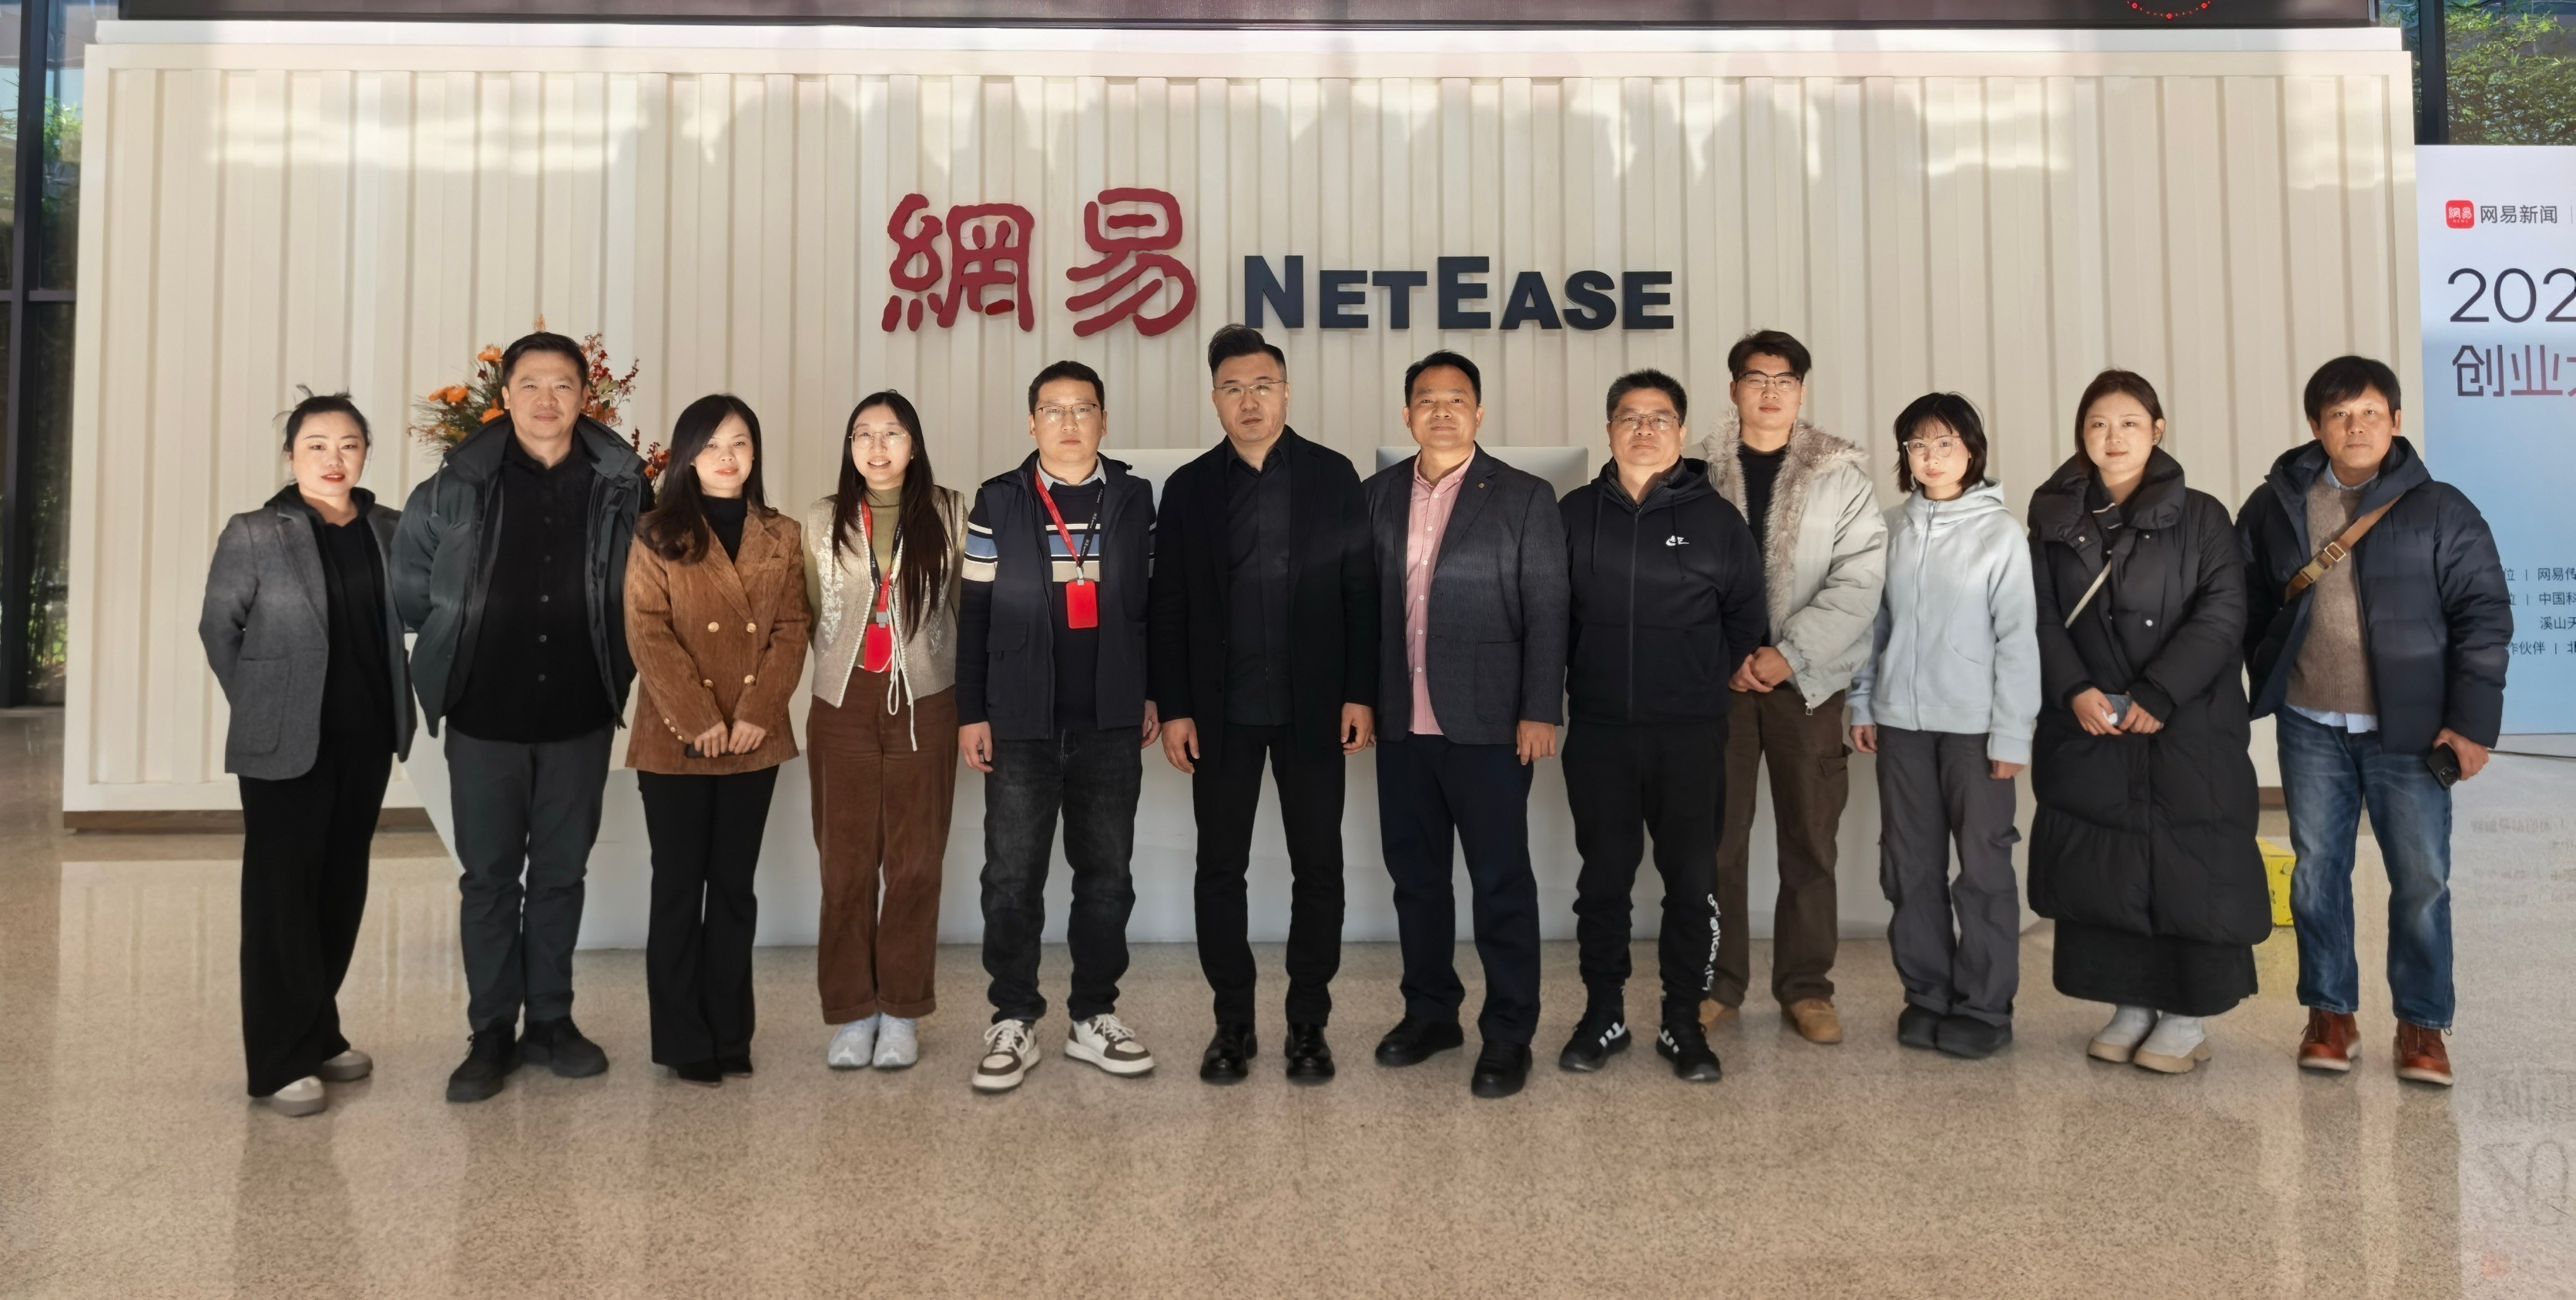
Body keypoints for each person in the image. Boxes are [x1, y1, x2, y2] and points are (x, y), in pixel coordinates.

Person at [391, 331, 650, 1103]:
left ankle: (552, 1022)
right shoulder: (456, 484)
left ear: (585, 397)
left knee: (562, 875)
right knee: (490, 879)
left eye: (562, 385)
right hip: (484, 713)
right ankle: (489, 1033)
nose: (546, 399)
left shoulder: (620, 484)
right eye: (530, 384)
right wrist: (458, 633)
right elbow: (409, 585)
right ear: (505, 396)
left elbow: (646, 583)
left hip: (579, 710)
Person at [2238, 355, 2510, 1087]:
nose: (2354, 426)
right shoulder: (2276, 504)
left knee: (2421, 879)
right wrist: (2263, 673)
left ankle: (2422, 1022)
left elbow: (2484, 617)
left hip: (2410, 730)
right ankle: (2330, 1013)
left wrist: (2471, 725)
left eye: (2368, 413)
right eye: (2338, 415)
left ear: (2395, 420)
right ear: (2316, 426)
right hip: (2310, 722)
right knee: (2316, 874)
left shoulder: (2442, 508)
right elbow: (2247, 600)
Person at [1149, 324, 1377, 1086]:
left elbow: (1360, 594)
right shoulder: (1188, 488)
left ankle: (1308, 1023)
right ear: (1214, 399)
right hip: (1221, 713)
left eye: (1262, 386)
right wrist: (1174, 707)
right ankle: (1232, 1022)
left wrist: (1359, 692)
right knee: (1220, 868)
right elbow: (1169, 606)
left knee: (1319, 867)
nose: (1249, 401)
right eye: (1233, 389)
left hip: (1314, 707)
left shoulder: (1332, 476)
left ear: (1286, 392)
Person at [2028, 369, 2267, 1076]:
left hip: (2187, 720)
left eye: (2130, 423)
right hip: (2092, 720)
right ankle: (2128, 1003)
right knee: (2108, 863)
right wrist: (2073, 688)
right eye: (2099, 424)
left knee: (2191, 861)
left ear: (2157, 430)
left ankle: (2187, 1016)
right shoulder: (2053, 517)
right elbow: (2037, 613)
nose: (2114, 437)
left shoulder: (2203, 515)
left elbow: (2224, 611)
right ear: (2082, 434)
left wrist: (2160, 693)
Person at [200, 391, 415, 1118]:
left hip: (367, 736)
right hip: (284, 741)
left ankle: (319, 1032)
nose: (334, 458)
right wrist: (264, 703)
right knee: (280, 897)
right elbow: (218, 628)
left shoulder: (389, 529)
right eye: (316, 444)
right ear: (291, 455)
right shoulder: (256, 531)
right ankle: (277, 1061)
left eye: (349, 444)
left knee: (339, 888)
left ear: (366, 454)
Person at [1363, 350, 1570, 1100]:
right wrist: (1358, 699)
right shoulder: (1375, 495)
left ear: (1479, 413)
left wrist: (1540, 708)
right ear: (1406, 415)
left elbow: (1548, 606)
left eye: (1456, 399)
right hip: (1400, 724)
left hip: (1490, 723)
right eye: (1427, 399)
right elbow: (1358, 610)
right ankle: (1430, 1014)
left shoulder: (1523, 495)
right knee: (1416, 881)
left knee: (1499, 882)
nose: (1441, 410)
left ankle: (1509, 1031)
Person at [957, 359, 1161, 1093]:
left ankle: (1093, 1014)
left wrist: (1155, 694)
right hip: (1021, 723)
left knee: (1107, 877)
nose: (1069, 422)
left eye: (1083, 408)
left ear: (1104, 419)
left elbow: (1156, 608)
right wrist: (971, 711)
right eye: (1054, 409)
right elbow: (974, 614)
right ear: (1031, 422)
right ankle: (1012, 1016)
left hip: (1110, 721)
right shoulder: (999, 500)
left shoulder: (1135, 499)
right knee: (1012, 878)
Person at [1555, 369, 1762, 1083]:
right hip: (1600, 731)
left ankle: (1682, 1019)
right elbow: (1551, 618)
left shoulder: (1718, 521)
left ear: (1682, 430)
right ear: (1609, 429)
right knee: (1603, 882)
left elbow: (1746, 620)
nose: (1644, 429)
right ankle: (1603, 1014)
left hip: (1691, 734)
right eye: (1630, 417)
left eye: (1660, 417)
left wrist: (1699, 680)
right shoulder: (1574, 514)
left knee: (1693, 883)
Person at [1688, 329, 1887, 1046]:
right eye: (1756, 377)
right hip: (1719, 684)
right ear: (1734, 388)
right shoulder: (1696, 469)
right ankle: (1717, 982)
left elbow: (1860, 578)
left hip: (1809, 683)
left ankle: (1806, 987)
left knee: (1810, 839)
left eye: (1784, 379)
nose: (1769, 391)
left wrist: (1788, 654)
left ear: (1801, 391)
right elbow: (1679, 573)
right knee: (1717, 843)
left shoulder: (1842, 475)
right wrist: (1728, 654)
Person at [623, 395, 810, 1087]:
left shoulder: (782, 533)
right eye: (710, 445)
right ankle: (682, 1038)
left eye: (739, 443)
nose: (726, 457)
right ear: (686, 457)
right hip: (676, 736)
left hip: (756, 735)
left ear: (755, 452)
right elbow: (647, 630)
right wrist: (702, 718)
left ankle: (731, 1032)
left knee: (734, 888)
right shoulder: (655, 532)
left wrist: (759, 709)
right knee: (678, 887)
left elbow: (793, 627)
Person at [1846, 394, 2039, 1060]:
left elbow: (2018, 637)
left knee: (1983, 867)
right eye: (1918, 445)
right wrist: (1863, 703)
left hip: (1975, 730)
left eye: (1945, 443)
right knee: (1909, 865)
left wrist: (2012, 732)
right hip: (1900, 725)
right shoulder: (1889, 528)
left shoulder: (2000, 533)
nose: (1930, 456)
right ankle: (1926, 993)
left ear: (1972, 450)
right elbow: (1874, 627)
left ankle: (1986, 1005)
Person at [806, 391, 966, 1071]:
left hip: (925, 697)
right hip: (843, 700)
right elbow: (811, 610)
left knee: (915, 861)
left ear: (914, 444)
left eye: (892, 433)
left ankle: (901, 1009)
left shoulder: (953, 512)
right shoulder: (821, 519)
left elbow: (964, 608)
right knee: (844, 863)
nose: (877, 447)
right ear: (849, 447)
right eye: (862, 434)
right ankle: (852, 1012)